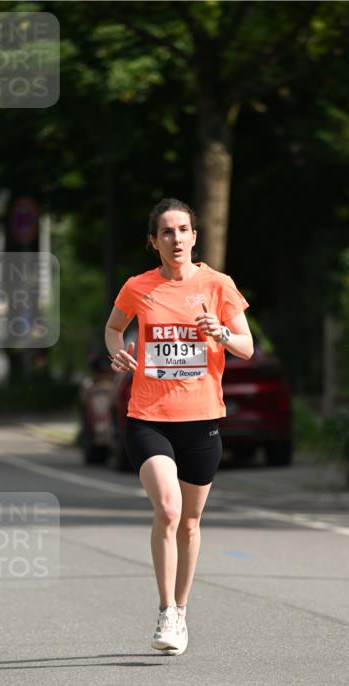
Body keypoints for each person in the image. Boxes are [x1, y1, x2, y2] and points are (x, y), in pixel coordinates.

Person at [104, 197, 254, 656]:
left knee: (190, 522)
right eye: (166, 232)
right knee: (168, 510)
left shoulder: (217, 285)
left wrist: (220, 334)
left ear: (194, 236)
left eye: (183, 230)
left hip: (202, 419)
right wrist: (118, 350)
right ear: (154, 241)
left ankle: (182, 611)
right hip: (148, 418)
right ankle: (166, 610)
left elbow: (246, 347)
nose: (176, 239)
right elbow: (113, 328)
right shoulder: (138, 287)